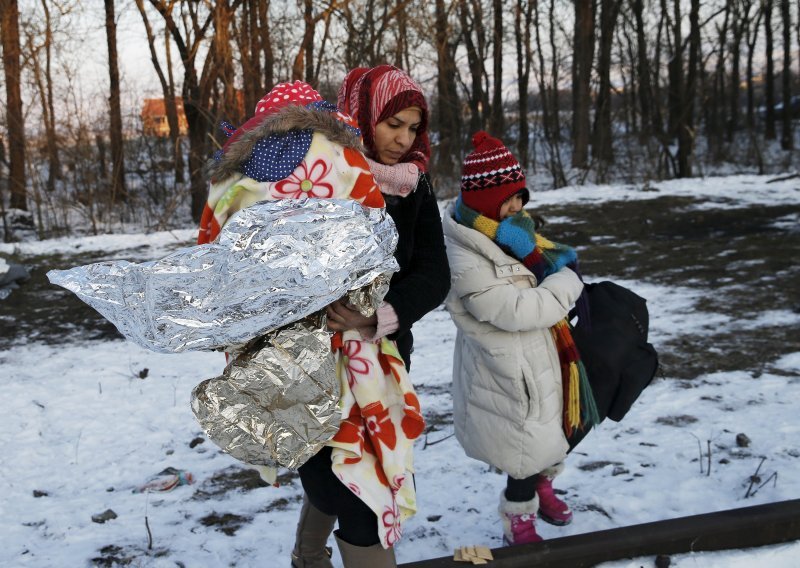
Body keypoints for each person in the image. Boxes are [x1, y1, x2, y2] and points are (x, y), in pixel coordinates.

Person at [289, 66, 450, 568]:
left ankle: (306, 557)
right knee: (348, 489)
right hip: (312, 369)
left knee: (360, 483)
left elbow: (435, 272)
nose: (404, 140)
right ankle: (310, 557)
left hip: (381, 367)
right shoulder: (316, 176)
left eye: (413, 128)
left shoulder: (414, 186)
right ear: (362, 116)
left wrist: (376, 316)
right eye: (392, 124)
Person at [442, 131, 596, 545]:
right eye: (509, 200)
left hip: (539, 353)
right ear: (484, 202)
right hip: (505, 367)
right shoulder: (465, 254)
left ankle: (544, 483)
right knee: (522, 445)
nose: (519, 207)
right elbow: (516, 310)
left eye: (521, 197)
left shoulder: (510, 234)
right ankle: (518, 516)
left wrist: (556, 272)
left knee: (551, 430)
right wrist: (566, 283)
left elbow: (538, 270)